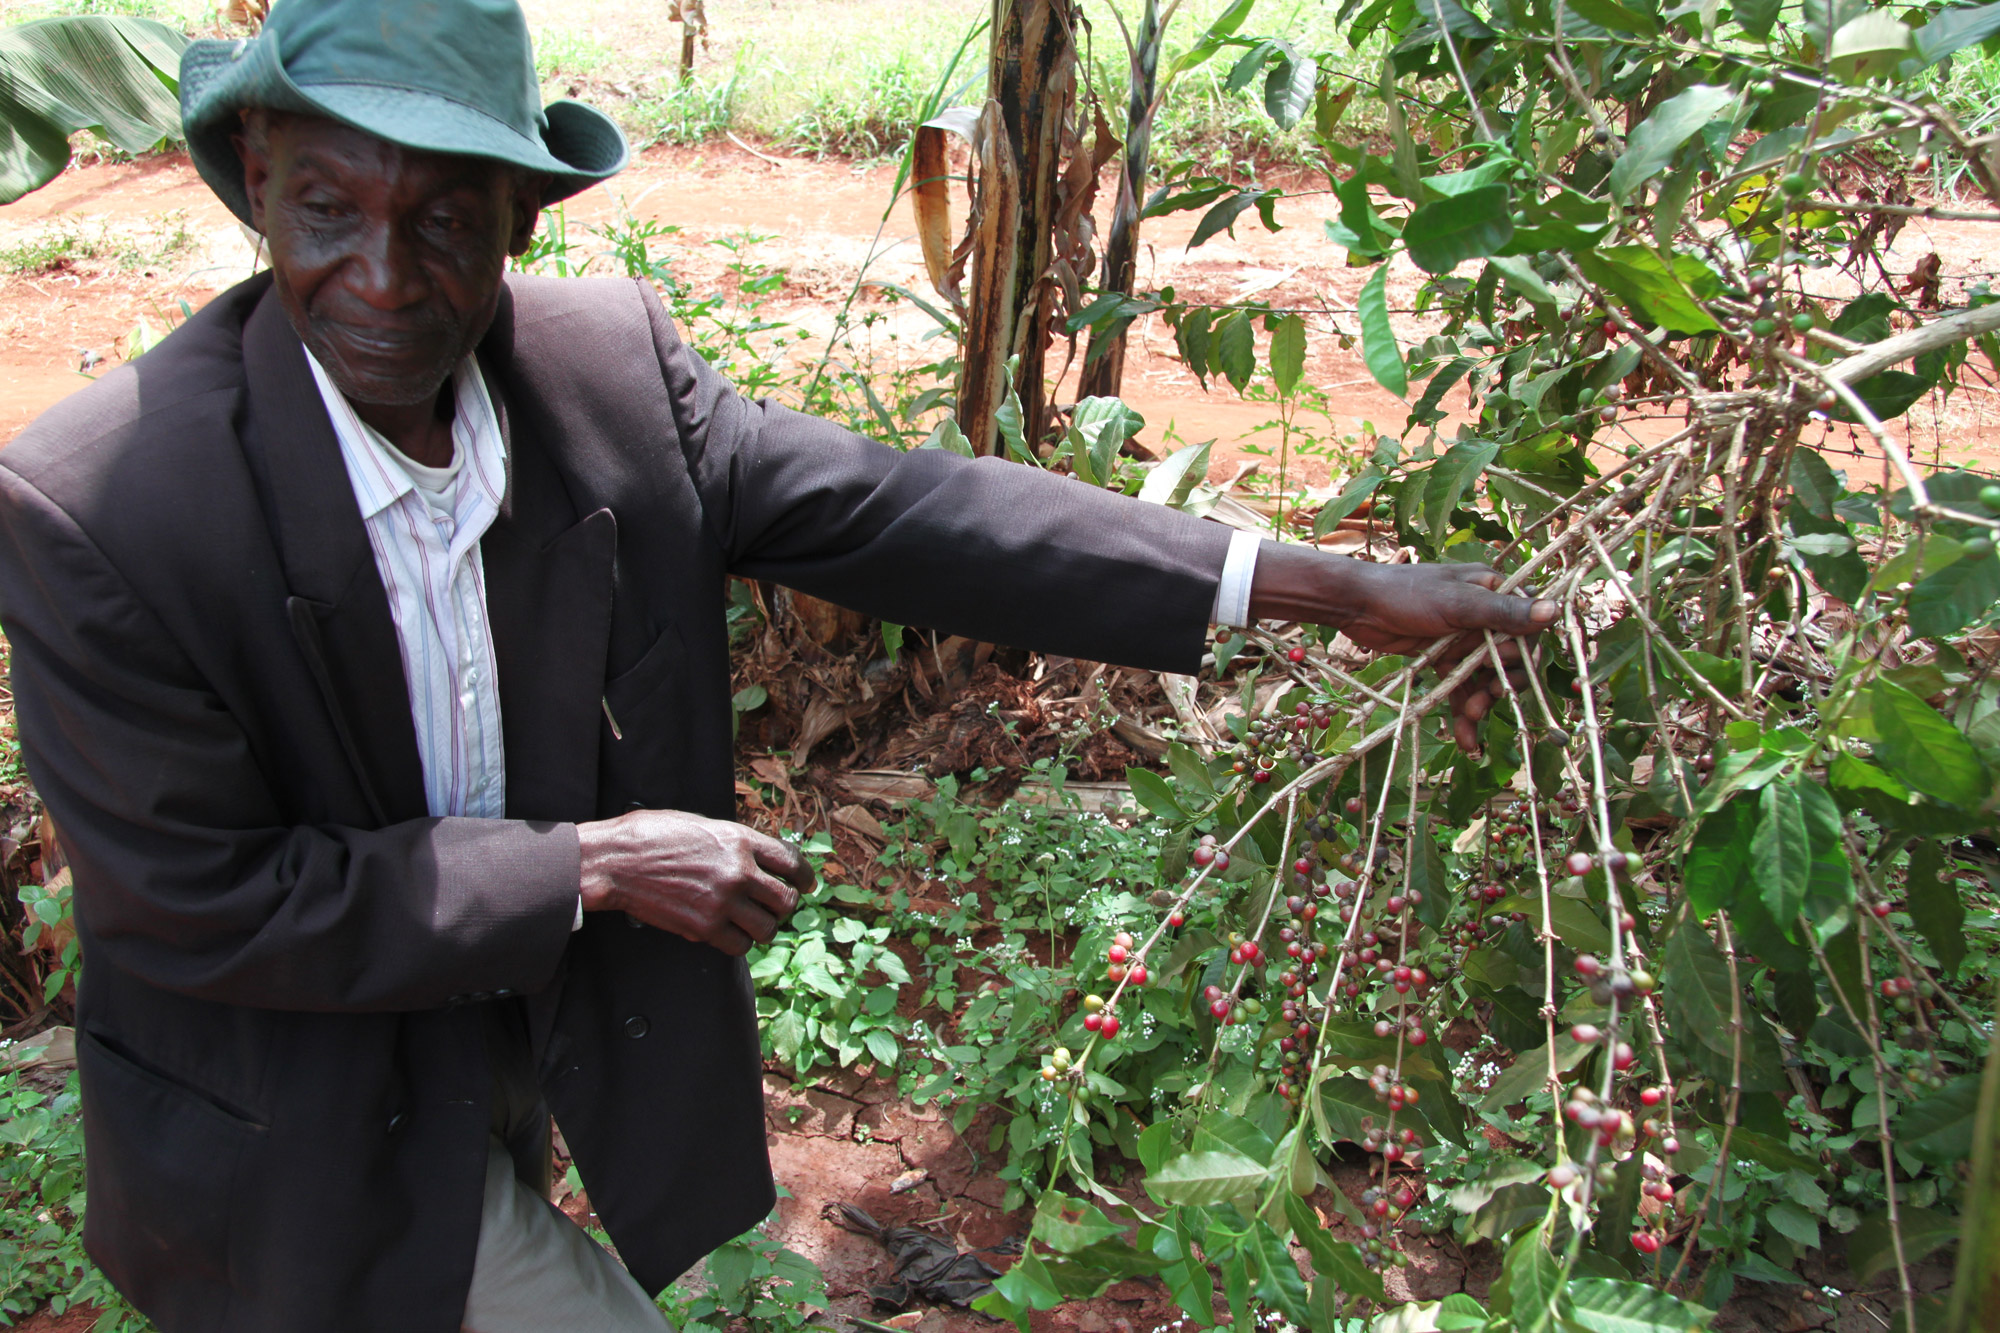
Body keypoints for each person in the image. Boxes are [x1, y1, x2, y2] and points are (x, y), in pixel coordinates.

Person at [0, 1, 1556, 1329]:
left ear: (520, 222)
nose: (386, 279)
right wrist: (592, 864)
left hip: (509, 1052)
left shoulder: (602, 382)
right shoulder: (107, 507)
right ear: (256, 184)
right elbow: (209, 902)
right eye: (328, 208)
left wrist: (1324, 585)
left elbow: (915, 513)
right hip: (300, 1123)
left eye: (444, 220)